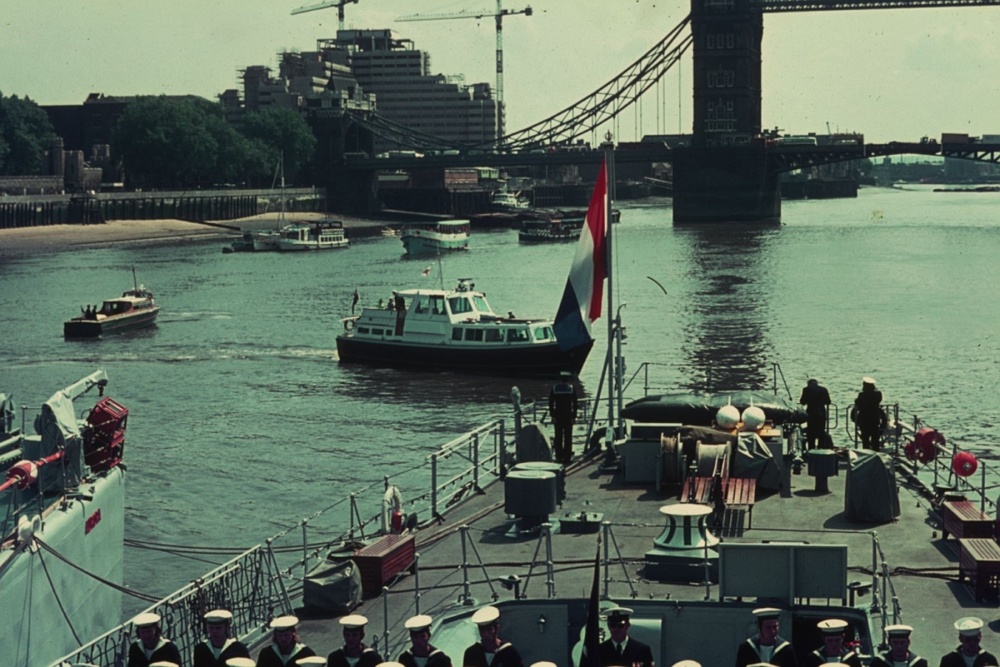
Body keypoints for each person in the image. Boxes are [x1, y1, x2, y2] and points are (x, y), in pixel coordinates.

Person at [548, 372, 578, 465]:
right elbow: (575, 404)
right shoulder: (571, 389)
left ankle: (559, 456)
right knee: (568, 436)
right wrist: (574, 416)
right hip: (568, 415)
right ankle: (567, 457)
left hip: (558, 415)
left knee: (558, 436)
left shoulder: (555, 388)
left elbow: (550, 403)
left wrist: (552, 415)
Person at [852, 377, 886, 451]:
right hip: (874, 418)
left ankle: (866, 453)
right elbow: (879, 401)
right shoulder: (878, 394)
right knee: (875, 439)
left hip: (864, 419)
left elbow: (858, 403)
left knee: (865, 440)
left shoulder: (862, 395)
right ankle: (876, 453)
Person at [799, 379, 831, 450]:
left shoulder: (806, 390)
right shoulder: (823, 390)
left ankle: (811, 450)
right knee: (821, 433)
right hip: (821, 414)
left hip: (811, 414)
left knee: (811, 434)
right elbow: (828, 401)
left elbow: (802, 401)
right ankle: (821, 449)